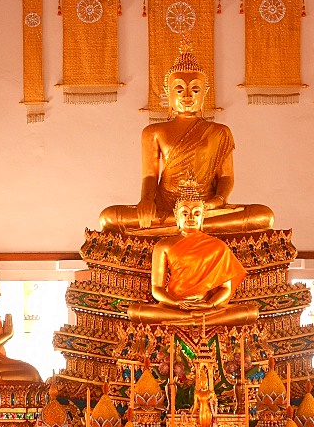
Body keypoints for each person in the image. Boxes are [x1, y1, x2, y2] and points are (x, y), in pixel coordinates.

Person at [99, 44, 274, 235]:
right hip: (165, 210)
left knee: (263, 215)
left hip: (206, 210)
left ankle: (174, 229)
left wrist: (217, 201)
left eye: (195, 90)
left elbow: (226, 177)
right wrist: (147, 202)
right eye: (180, 89)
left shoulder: (220, 131)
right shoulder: (153, 132)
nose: (188, 96)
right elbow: (150, 176)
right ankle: (178, 226)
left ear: (205, 94)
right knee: (108, 217)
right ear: (168, 93)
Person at [127, 180, 259, 327]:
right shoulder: (163, 245)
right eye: (185, 213)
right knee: (134, 311)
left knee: (251, 311)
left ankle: (191, 320)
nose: (190, 218)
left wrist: (210, 305)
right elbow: (156, 289)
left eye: (196, 213)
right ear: (177, 217)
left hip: (206, 307)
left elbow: (225, 289)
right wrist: (176, 303)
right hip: (174, 307)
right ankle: (196, 320)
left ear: (202, 218)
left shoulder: (217, 246)